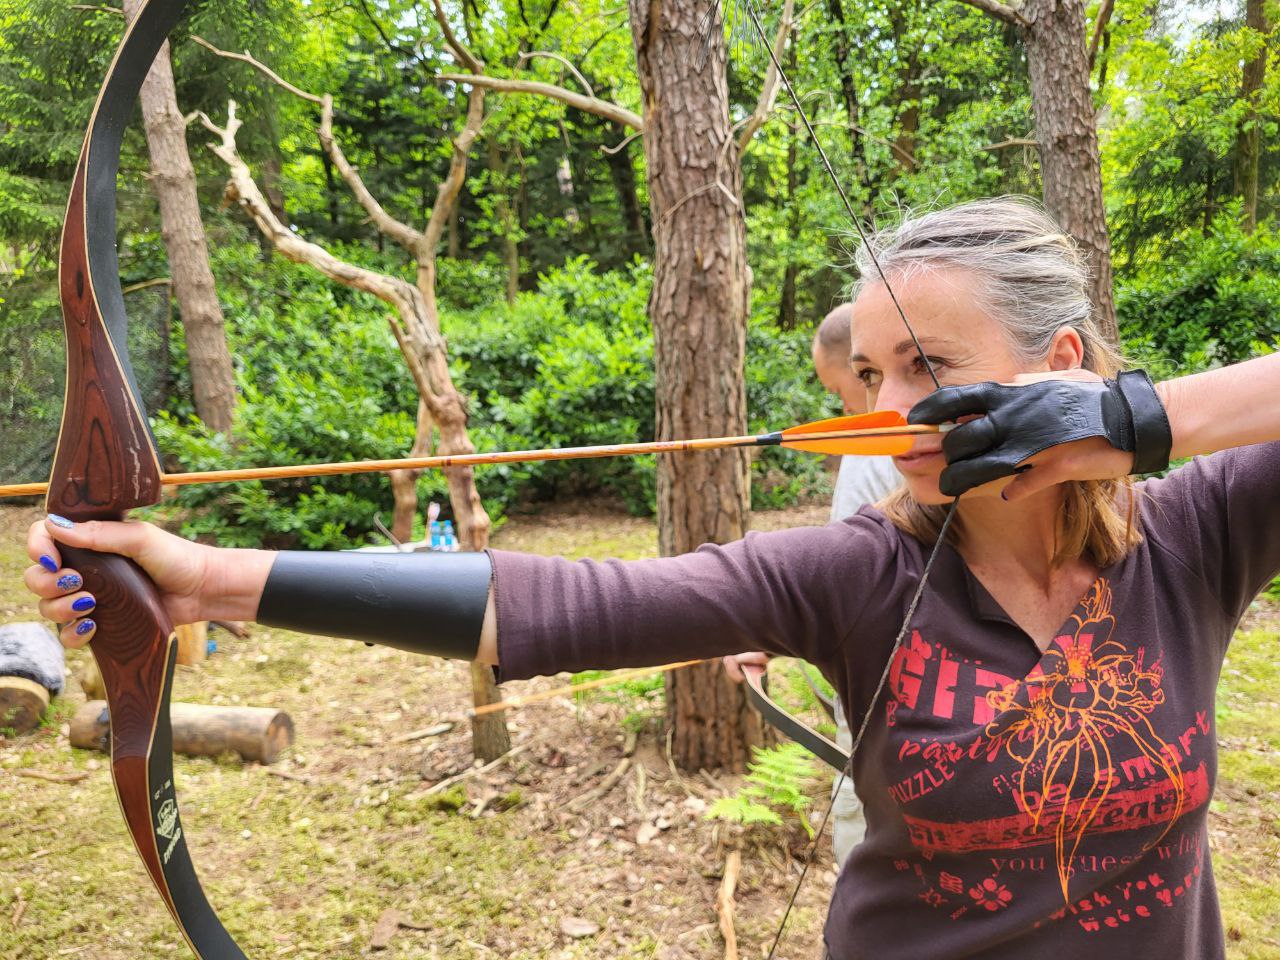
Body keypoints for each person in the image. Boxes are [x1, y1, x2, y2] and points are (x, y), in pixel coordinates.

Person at [25, 199, 1278, 959]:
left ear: (1056, 361)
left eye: (928, 368)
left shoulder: (1194, 535)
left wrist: (1133, 421)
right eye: (875, 372)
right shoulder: (856, 570)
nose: (886, 411)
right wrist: (200, 580)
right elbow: (583, 606)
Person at [723, 302, 899, 868]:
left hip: (886, 694)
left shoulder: (871, 450)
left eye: (843, 386)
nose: (843, 406)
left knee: (864, 822)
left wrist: (775, 630)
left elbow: (848, 581)